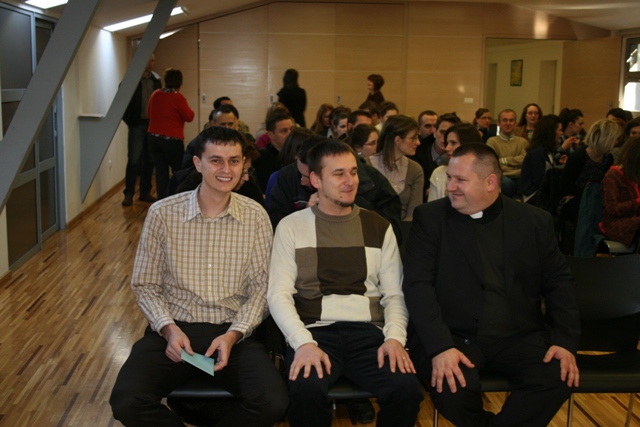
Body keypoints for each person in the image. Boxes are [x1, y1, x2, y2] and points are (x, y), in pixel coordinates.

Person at [110, 126, 288, 427]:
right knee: (127, 401)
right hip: (174, 331)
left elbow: (261, 288)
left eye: (234, 161)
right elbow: (145, 285)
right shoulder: (162, 213)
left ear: (243, 164)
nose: (226, 169)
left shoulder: (256, 215)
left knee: (274, 401)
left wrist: (233, 334)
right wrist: (168, 330)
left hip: (231, 333)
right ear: (198, 163)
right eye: (216, 160)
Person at [403, 142, 580, 427]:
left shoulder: (534, 221)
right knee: (452, 388)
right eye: (449, 177)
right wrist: (440, 347)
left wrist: (564, 340)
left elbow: (559, 283)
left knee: (558, 375)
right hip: (454, 336)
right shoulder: (431, 218)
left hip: (519, 335)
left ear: (490, 182)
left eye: (460, 180)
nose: (450, 187)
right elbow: (417, 285)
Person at [268, 139, 423, 427]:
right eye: (338, 174)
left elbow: (394, 295)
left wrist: (394, 338)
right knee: (305, 390)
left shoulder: (379, 226)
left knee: (406, 390)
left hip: (369, 333)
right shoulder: (291, 226)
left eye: (353, 172)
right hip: (314, 331)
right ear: (316, 180)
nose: (350, 181)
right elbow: (278, 295)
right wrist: (302, 342)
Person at [268, 134, 403, 244]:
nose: (302, 182)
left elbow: (393, 231)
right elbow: (277, 225)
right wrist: (307, 215)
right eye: (301, 174)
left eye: (308, 177)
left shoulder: (370, 181)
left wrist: (348, 202)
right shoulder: (288, 176)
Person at [559, 119, 622, 223]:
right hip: (574, 199)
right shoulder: (579, 156)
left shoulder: (608, 158)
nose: (616, 142)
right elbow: (565, 187)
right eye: (615, 139)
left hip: (594, 199)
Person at [147, 68, 195, 200]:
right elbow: (190, 116)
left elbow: (149, 114)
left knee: (160, 172)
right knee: (178, 171)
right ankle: (177, 199)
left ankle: (162, 200)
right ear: (180, 83)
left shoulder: (155, 94)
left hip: (153, 138)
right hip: (172, 140)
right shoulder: (178, 97)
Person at [367, 115, 424, 221]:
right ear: (397, 140)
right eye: (413, 138)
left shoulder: (415, 169)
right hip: (372, 226)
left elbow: (413, 212)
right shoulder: (367, 166)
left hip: (403, 228)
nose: (418, 142)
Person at [121, 54, 160, 207]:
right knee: (134, 159)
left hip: (152, 124)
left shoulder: (156, 80)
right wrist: (130, 120)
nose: (151, 63)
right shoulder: (132, 80)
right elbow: (122, 102)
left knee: (150, 159)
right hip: (137, 124)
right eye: (148, 60)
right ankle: (129, 193)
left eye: (153, 60)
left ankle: (145, 191)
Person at [600, 135, 640, 247]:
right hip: (615, 224)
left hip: (634, 221)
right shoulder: (613, 176)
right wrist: (637, 202)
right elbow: (613, 208)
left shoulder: (635, 175)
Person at [428, 122, 482, 202]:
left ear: (467, 144)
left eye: (453, 143)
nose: (447, 148)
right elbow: (432, 208)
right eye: (447, 143)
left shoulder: (483, 173)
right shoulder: (439, 173)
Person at [520, 114, 562, 204]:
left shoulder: (548, 151)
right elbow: (540, 181)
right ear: (551, 132)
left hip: (541, 193)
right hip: (533, 196)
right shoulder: (537, 153)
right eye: (559, 130)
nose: (561, 133)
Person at [486, 109, 528, 198]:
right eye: (505, 120)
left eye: (511, 120)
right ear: (498, 123)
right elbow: (493, 163)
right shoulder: (492, 142)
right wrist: (515, 164)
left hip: (520, 175)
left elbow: (525, 160)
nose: (508, 123)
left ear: (515, 123)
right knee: (506, 184)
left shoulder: (523, 142)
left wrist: (504, 160)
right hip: (502, 176)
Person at [254, 111, 295, 192]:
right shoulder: (261, 158)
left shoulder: (298, 155)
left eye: (291, 129)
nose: (290, 134)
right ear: (270, 135)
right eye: (284, 131)